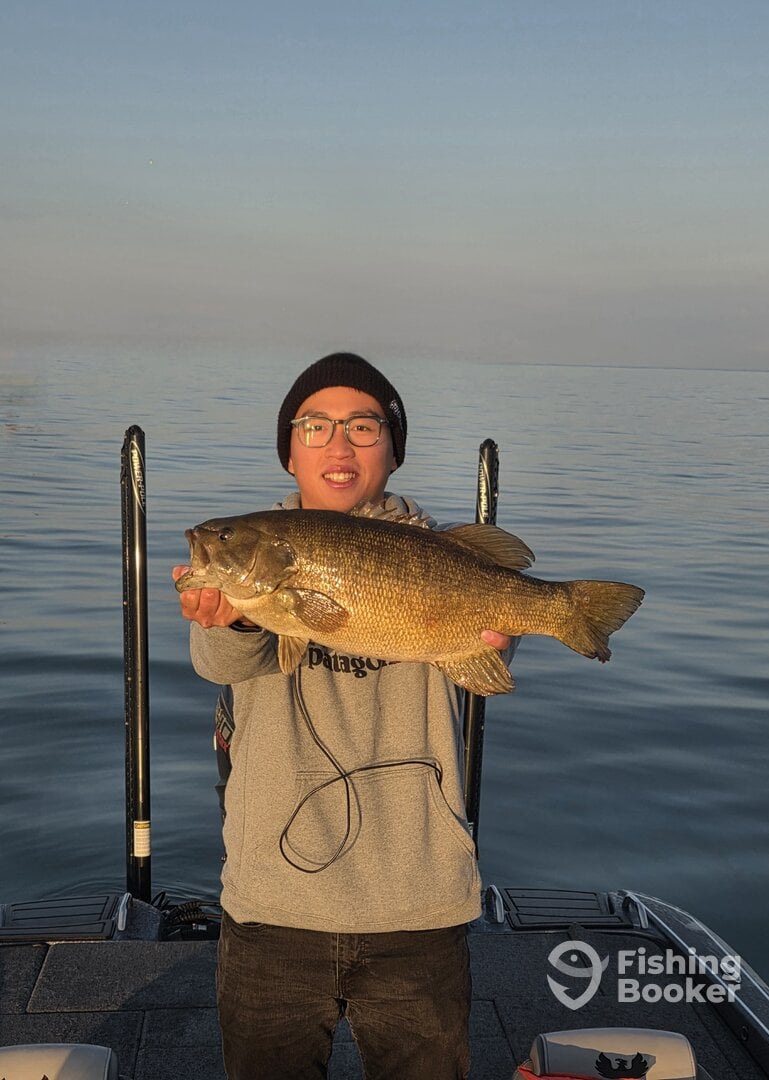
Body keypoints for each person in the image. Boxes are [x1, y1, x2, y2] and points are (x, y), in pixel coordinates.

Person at [173, 352, 513, 1080]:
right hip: (274, 906)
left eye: (363, 426)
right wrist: (229, 621)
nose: (339, 443)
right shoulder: (257, 562)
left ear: (392, 450)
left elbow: (483, 672)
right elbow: (222, 665)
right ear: (289, 449)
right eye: (316, 425)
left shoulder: (437, 548)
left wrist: (497, 628)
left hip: (417, 905)